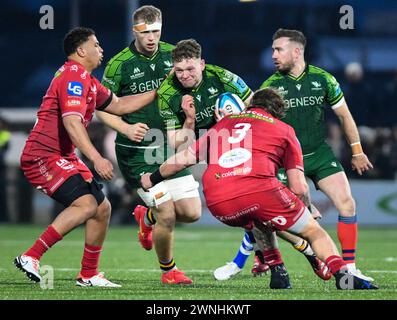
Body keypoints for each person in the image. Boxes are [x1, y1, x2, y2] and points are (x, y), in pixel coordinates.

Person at [140, 87, 378, 290]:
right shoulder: (284, 130)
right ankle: (342, 275)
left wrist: (152, 178)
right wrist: (306, 209)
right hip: (260, 192)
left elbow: (183, 159)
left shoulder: (221, 125)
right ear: (277, 112)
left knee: (259, 216)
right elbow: (298, 185)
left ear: (251, 104)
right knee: (313, 231)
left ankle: (278, 272)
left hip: (218, 203)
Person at [157, 39, 330, 288]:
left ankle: (266, 257)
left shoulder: (225, 78)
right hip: (201, 149)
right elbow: (179, 145)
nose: (184, 75)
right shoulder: (167, 93)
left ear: (202, 64)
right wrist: (190, 121)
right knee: (246, 205)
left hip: (239, 144)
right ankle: (299, 249)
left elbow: (258, 111)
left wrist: (234, 122)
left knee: (260, 203)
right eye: (179, 70)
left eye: (190, 69)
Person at [217, 28, 375, 282]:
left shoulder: (323, 79)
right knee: (269, 217)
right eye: (273, 50)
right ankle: (268, 260)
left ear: (297, 51)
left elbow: (344, 115)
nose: (273, 55)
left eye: (279, 49)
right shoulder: (270, 86)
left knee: (347, 203)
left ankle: (350, 268)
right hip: (285, 160)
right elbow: (251, 121)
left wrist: (357, 151)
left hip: (318, 152)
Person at [15, 27, 157, 287]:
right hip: (43, 156)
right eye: (96, 45)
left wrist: (159, 90)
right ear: (81, 50)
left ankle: (89, 274)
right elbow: (72, 122)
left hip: (61, 155)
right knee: (87, 205)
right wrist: (96, 158)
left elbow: (121, 105)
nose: (101, 49)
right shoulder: (73, 77)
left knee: (102, 208)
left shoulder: (87, 80)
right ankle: (31, 256)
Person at [96, 5, 201, 285]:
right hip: (136, 154)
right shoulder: (119, 64)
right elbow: (101, 108)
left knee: (191, 213)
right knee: (167, 211)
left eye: (156, 31)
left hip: (166, 149)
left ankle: (147, 218)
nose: (152, 37)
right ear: (135, 31)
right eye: (146, 32)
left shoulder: (172, 55)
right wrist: (125, 127)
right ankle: (169, 271)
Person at [0, 117, 11, 223]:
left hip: (1, 169)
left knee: (2, 195)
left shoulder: (5, 134)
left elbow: (4, 149)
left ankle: (4, 219)